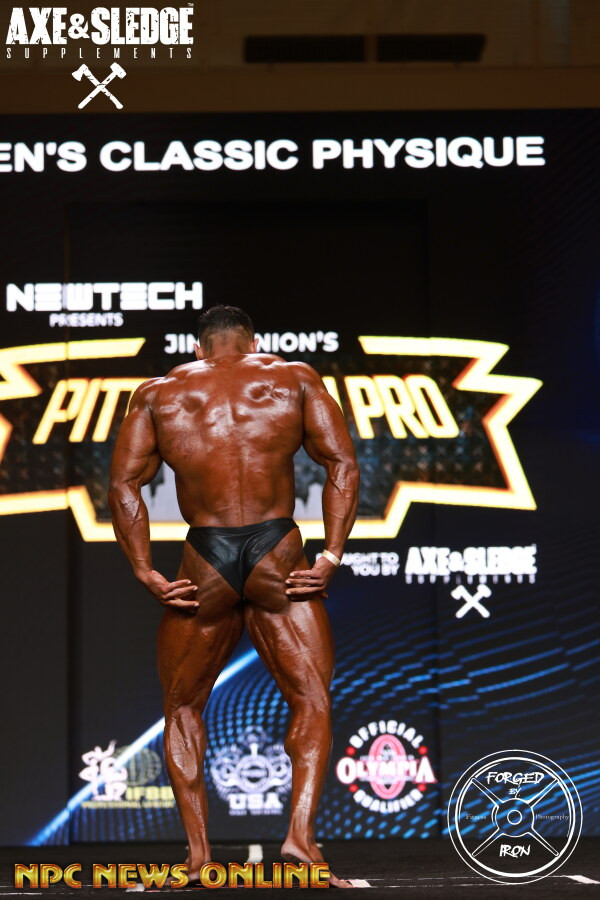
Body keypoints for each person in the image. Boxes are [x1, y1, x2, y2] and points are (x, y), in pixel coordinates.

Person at [109, 306, 360, 887]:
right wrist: (330, 555)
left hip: (206, 556)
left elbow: (124, 484)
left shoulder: (157, 393)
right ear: (254, 343)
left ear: (199, 348)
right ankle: (300, 842)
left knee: (182, 708)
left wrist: (144, 569)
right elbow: (342, 464)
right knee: (311, 700)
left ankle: (199, 858)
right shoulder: (294, 378)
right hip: (278, 551)